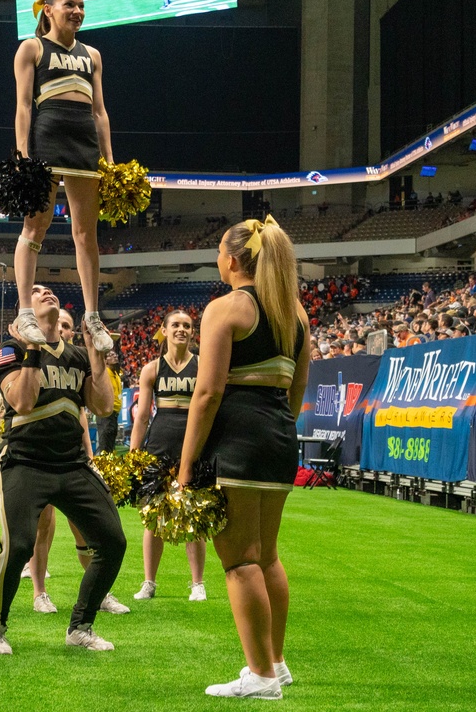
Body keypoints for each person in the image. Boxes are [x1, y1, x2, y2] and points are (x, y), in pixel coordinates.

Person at [178, 216, 310, 700]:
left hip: (237, 439)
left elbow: (208, 393)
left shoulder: (226, 308)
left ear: (232, 259)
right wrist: (276, 428)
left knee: (239, 562)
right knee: (268, 555)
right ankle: (275, 662)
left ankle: (260, 676)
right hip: (278, 438)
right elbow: (297, 389)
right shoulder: (295, 311)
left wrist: (187, 464)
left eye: (218, 250)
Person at [0, 284, 125, 655]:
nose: (46, 292)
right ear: (23, 311)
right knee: (18, 546)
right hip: (25, 461)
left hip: (71, 461)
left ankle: (81, 626)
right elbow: (23, 402)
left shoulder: (76, 354)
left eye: (49, 290)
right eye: (36, 290)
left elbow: (104, 406)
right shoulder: (8, 351)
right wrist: (32, 347)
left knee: (112, 541)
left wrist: (95, 355)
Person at [13, 0, 114, 355]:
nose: (78, 11)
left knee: (86, 233)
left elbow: (100, 111)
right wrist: (23, 153)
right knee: (34, 226)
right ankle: (26, 310)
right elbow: (24, 105)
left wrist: (110, 160)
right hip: (48, 137)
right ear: (49, 10)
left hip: (84, 143)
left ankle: (91, 315)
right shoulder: (32, 48)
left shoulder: (93, 55)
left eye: (82, 6)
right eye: (69, 4)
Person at [23, 307, 130, 616]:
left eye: (68, 325)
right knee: (43, 527)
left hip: (72, 457)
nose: (65, 329)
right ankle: (39, 592)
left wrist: (90, 454)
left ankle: (101, 592)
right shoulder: (28, 354)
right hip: (38, 454)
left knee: (85, 529)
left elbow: (85, 411)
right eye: (62, 324)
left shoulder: (76, 358)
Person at [129, 310, 206, 602]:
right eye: (176, 325)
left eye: (187, 325)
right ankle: (149, 582)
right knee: (153, 519)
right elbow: (142, 418)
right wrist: (135, 456)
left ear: (192, 332)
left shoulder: (202, 366)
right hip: (158, 449)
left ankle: (197, 583)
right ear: (164, 329)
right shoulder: (151, 369)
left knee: (194, 516)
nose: (182, 329)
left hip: (193, 448)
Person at [93, 349, 122, 454]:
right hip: (106, 414)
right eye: (110, 355)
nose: (114, 356)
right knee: (105, 445)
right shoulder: (104, 372)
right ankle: (102, 467)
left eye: (115, 354)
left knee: (111, 444)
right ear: (105, 361)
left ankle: (109, 467)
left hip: (114, 414)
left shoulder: (117, 374)